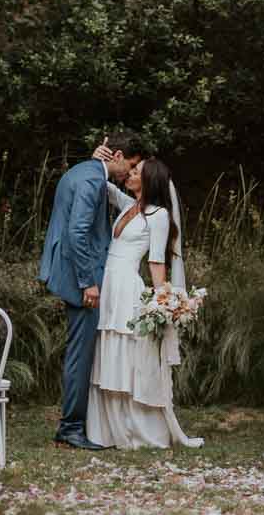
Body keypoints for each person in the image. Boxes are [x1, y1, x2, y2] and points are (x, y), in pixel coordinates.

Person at [86, 155, 203, 449]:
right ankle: (108, 428)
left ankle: (139, 428)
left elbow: (155, 261)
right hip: (109, 285)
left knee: (128, 353)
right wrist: (97, 161)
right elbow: (106, 185)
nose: (129, 173)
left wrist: (163, 298)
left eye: (135, 171)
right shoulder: (130, 206)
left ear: (149, 180)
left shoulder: (159, 215)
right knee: (109, 348)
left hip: (127, 287)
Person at [38, 136, 147, 449]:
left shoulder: (86, 171)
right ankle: (71, 428)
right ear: (119, 155)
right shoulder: (91, 180)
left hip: (73, 270)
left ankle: (75, 424)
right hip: (78, 275)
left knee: (80, 349)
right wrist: (88, 282)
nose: (129, 173)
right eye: (129, 165)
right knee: (80, 352)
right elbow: (78, 232)